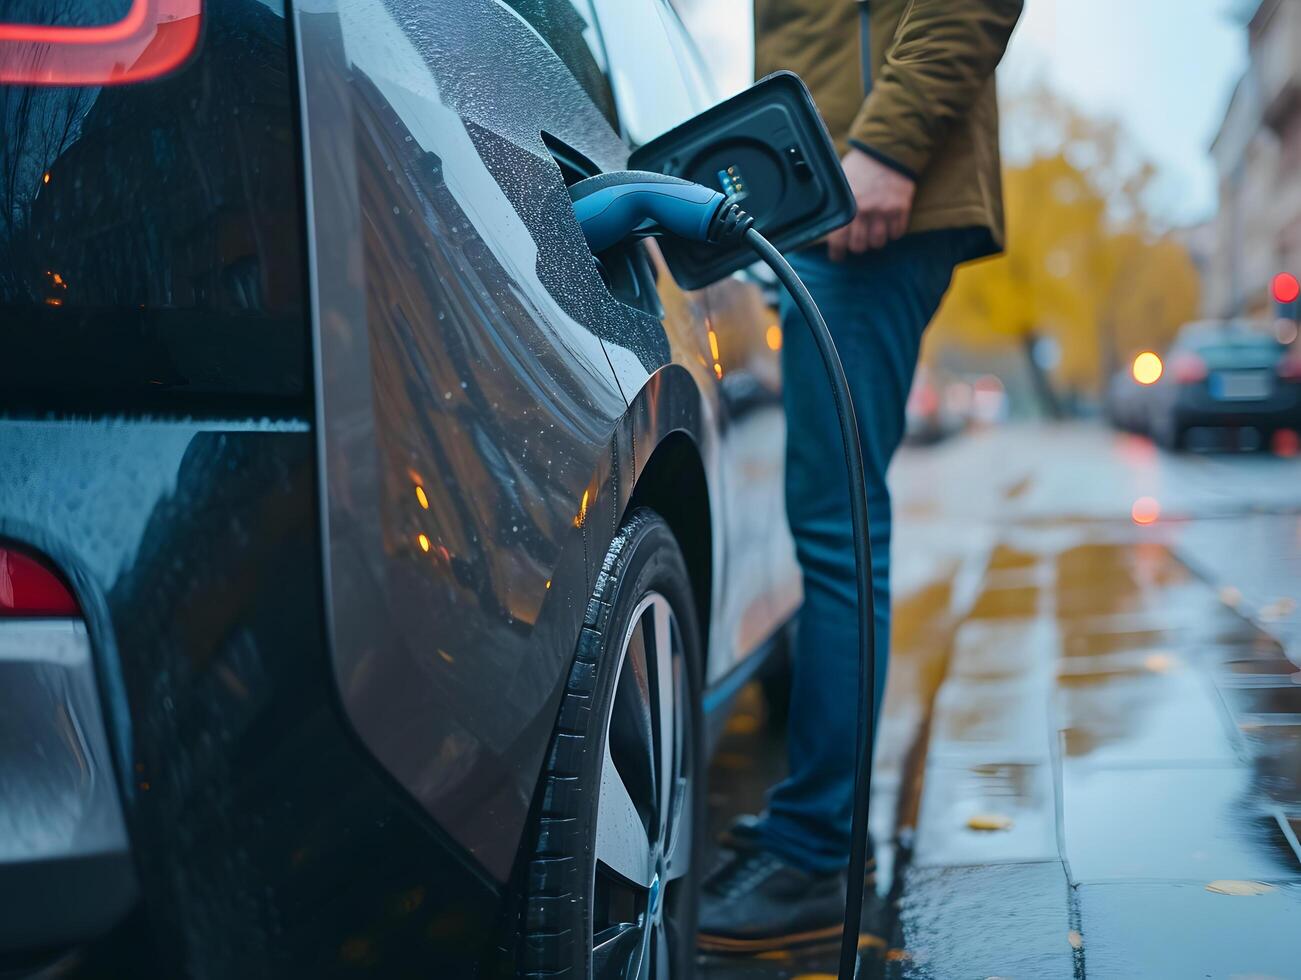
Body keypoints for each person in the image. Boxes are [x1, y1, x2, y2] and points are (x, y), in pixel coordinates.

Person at [697, 0, 1024, 952]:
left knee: (838, 527)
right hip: (819, 192)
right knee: (830, 521)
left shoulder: (880, 169)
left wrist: (887, 146)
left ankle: (817, 849)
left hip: (865, 200)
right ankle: (820, 829)